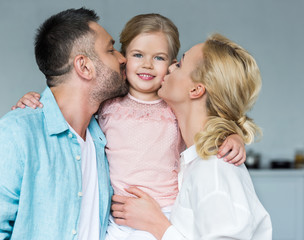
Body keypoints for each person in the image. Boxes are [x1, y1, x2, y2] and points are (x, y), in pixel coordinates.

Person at [13, 14, 247, 240]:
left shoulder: (173, 105)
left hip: (164, 211)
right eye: (138, 54)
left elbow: (204, 123)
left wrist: (232, 136)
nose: (147, 65)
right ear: (123, 59)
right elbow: (71, 110)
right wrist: (36, 100)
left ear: (171, 64)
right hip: (116, 217)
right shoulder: (107, 102)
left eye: (159, 58)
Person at [0, 8, 129, 240]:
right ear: (84, 66)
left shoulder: (104, 138)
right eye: (110, 50)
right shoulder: (15, 136)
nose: (122, 58)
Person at [110, 34, 272, 239]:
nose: (169, 67)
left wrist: (158, 225)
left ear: (196, 89)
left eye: (180, 65)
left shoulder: (215, 169)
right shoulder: (191, 163)